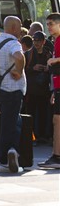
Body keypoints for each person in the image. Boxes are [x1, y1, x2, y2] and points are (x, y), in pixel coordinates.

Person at [0, 16, 26, 173]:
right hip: (13, 88)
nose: (20, 30)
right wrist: (18, 70)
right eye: (19, 27)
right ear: (13, 28)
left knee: (8, 120)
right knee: (10, 123)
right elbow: (19, 56)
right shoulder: (13, 43)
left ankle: (8, 152)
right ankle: (8, 154)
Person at [24, 31, 52, 143]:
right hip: (31, 89)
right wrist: (33, 68)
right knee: (30, 113)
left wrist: (47, 69)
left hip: (44, 88)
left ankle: (41, 136)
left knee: (43, 113)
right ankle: (31, 136)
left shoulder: (48, 54)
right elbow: (23, 70)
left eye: (38, 40)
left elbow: (53, 69)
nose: (36, 43)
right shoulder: (28, 54)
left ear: (43, 42)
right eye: (34, 40)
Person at [40, 13, 60, 168]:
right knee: (56, 120)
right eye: (47, 24)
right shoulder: (56, 40)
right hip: (57, 87)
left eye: (52, 23)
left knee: (57, 121)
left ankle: (57, 156)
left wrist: (55, 60)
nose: (49, 26)